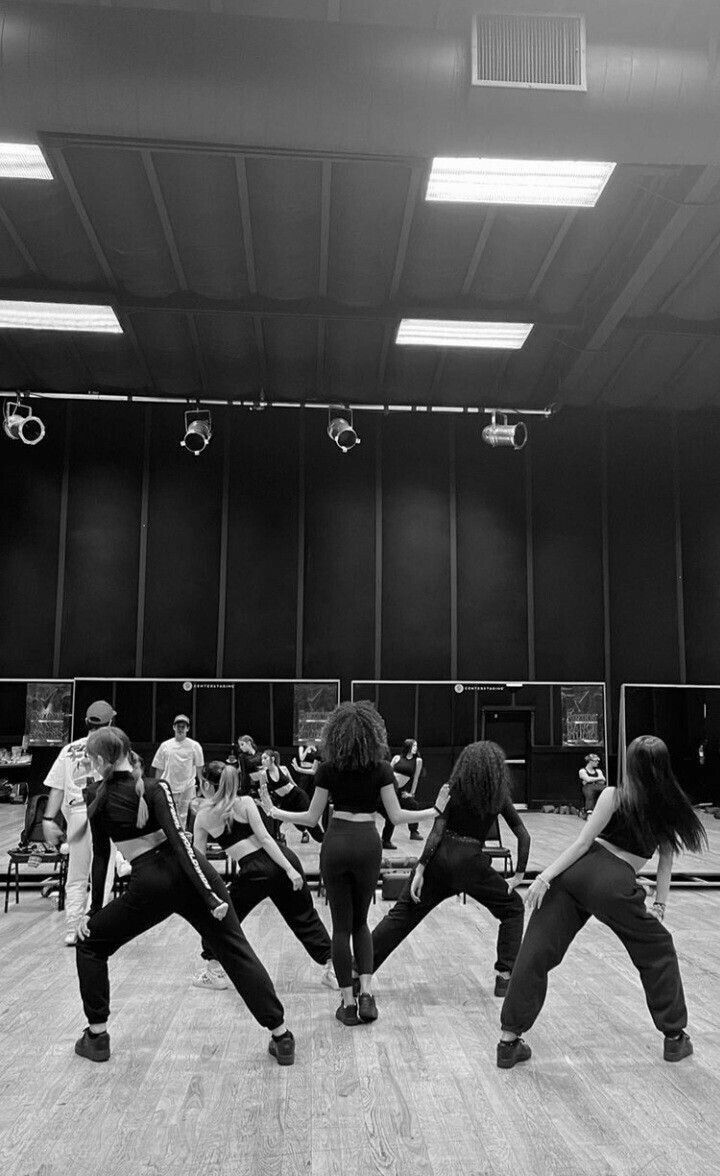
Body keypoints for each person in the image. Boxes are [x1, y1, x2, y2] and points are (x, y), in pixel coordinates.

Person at [46, 727, 295, 1067]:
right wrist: (210, 896)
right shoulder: (150, 787)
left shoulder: (98, 795)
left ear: (102, 760)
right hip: (191, 876)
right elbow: (180, 843)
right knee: (235, 951)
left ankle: (97, 1035)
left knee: (91, 946)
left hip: (152, 884)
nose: (89, 765)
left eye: (90, 760)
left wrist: (93, 913)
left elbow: (103, 858)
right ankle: (281, 1036)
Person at [497, 735, 708, 1070]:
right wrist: (660, 907)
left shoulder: (613, 794)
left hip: (576, 874)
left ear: (630, 764)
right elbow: (665, 862)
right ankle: (675, 1038)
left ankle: (508, 1042)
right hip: (614, 883)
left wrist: (544, 877)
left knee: (536, 950)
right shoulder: (669, 806)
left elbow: (582, 843)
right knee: (658, 950)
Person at [260, 701, 449, 1027]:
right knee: (361, 924)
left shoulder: (327, 769)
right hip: (367, 844)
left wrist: (274, 812)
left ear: (335, 735)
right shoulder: (381, 769)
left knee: (341, 928)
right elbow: (397, 816)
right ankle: (366, 995)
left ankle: (347, 1004)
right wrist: (435, 811)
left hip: (336, 843)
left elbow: (310, 817)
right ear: (373, 734)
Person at [369, 742, 529, 996]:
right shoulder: (498, 795)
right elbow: (523, 835)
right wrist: (518, 874)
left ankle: (358, 971)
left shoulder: (451, 790)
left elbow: (436, 833)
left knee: (401, 917)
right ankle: (504, 977)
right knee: (513, 909)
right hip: (472, 865)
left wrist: (421, 867)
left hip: (439, 862)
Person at [190, 760, 334, 991]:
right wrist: (290, 869)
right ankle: (333, 967)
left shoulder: (203, 815)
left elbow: (199, 859)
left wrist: (206, 891)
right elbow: (266, 839)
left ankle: (214, 969)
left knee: (223, 919)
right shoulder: (245, 802)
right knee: (304, 916)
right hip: (282, 858)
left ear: (206, 784)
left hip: (255, 871)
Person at [41, 700, 129, 946]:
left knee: (76, 875)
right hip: (103, 813)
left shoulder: (68, 749)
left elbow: (56, 788)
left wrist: (48, 819)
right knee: (103, 873)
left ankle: (72, 929)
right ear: (110, 722)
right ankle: (92, 926)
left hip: (76, 814)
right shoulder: (115, 747)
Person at [262, 748, 323, 845]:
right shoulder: (263, 774)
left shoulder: (283, 769)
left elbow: (293, 783)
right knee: (282, 821)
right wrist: (266, 804)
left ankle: (322, 839)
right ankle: (281, 839)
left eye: (265, 758)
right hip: (284, 801)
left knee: (309, 820)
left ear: (272, 759)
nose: (262, 761)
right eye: (262, 759)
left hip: (297, 795)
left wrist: (302, 794)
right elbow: (264, 792)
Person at [150, 715, 204, 826]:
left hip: (187, 788)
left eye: (183, 726)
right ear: (174, 727)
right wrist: (156, 787)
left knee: (183, 817)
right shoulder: (165, 745)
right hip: (168, 787)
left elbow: (199, 768)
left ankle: (182, 841)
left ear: (187, 728)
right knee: (167, 816)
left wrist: (202, 787)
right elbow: (159, 768)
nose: (180, 729)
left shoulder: (195, 746)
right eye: (178, 726)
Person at [381, 738, 424, 849]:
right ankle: (385, 840)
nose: (416, 748)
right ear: (408, 746)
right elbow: (387, 772)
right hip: (390, 788)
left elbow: (416, 779)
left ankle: (413, 832)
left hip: (400, 791)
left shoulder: (418, 761)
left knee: (413, 805)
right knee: (390, 814)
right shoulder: (397, 758)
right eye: (414, 746)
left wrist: (411, 793)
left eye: (416, 746)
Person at [292, 743, 324, 843]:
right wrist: (308, 749)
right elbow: (301, 758)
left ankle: (314, 831)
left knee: (311, 803)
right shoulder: (302, 746)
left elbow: (315, 768)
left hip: (313, 776)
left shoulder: (318, 749)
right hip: (304, 775)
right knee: (301, 803)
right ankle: (304, 831)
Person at [579, 752, 606, 818]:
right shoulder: (582, 770)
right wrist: (597, 779)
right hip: (587, 788)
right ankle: (589, 811)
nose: (597, 762)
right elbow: (587, 779)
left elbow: (603, 780)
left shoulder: (598, 770)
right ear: (590, 761)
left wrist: (591, 780)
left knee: (607, 789)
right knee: (590, 789)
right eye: (596, 761)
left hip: (597, 787)